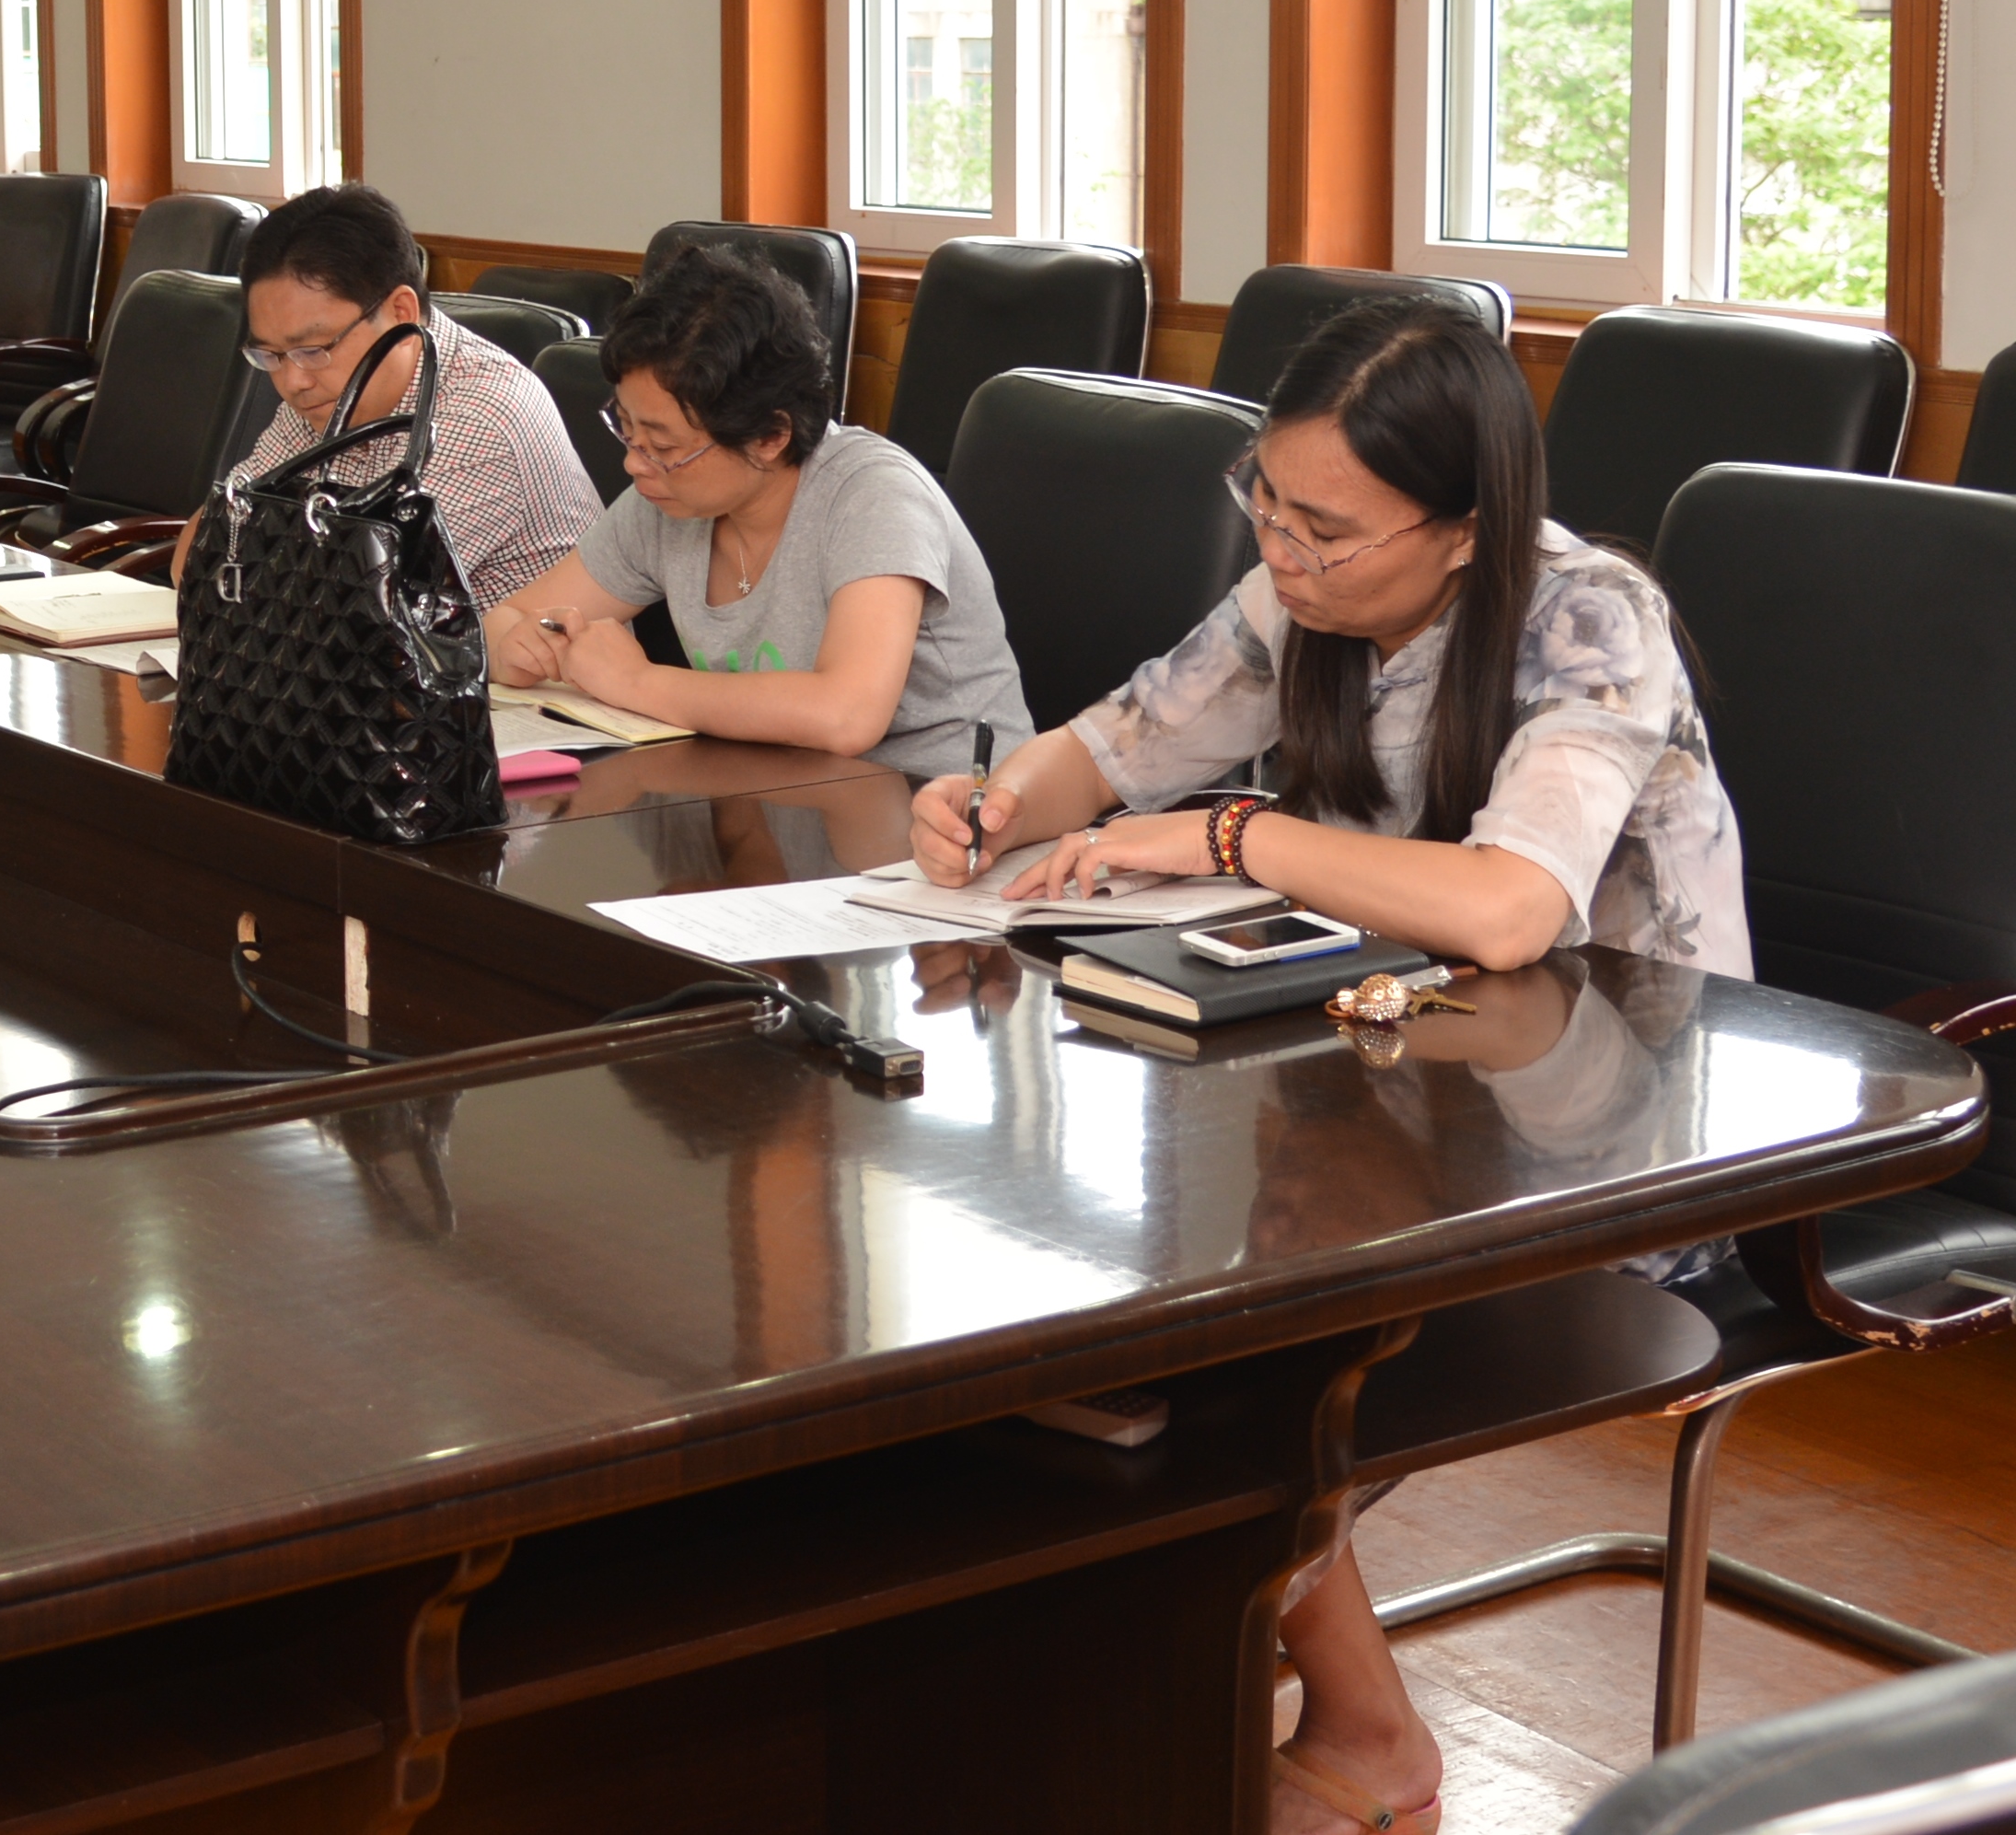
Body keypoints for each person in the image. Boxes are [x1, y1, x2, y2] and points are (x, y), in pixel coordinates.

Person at [901, 296, 1746, 1835]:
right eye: (1267, 506)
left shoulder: (1588, 620)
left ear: (1467, 530)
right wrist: (997, 800)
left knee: (1217, 1368)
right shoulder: (1306, 592)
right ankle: (1238, 1720)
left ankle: (1344, 1737)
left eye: (1326, 531)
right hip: (1393, 1089)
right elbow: (1119, 742)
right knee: (1112, 1340)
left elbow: (1508, 910)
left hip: (1614, 1141)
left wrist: (1235, 834)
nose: (1285, 554)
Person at [489, 243, 1029, 773]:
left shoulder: (873, 495)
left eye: (664, 445)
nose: (635, 463)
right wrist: (517, 649)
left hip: (946, 803)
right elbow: (504, 620)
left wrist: (636, 681)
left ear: (770, 436)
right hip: (785, 794)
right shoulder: (666, 501)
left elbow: (847, 716)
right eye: (626, 429)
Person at [173, 184, 594, 602]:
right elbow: (203, 549)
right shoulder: (322, 391)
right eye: (270, 355)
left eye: (313, 349)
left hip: (516, 649)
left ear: (401, 314)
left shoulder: (481, 414)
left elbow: (355, 602)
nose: (293, 382)